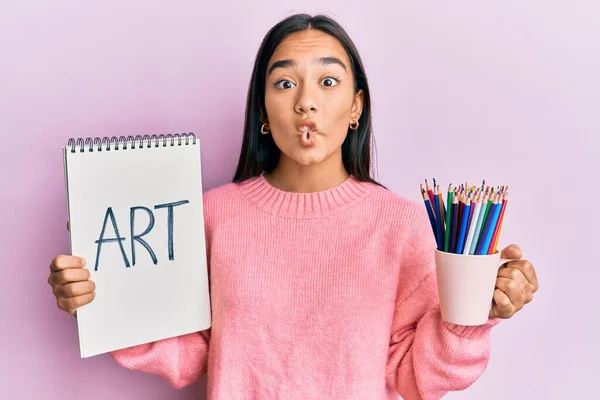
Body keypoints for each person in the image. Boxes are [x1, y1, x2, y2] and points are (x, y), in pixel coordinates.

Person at [47, 13, 539, 400]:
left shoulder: (404, 226)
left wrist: (472, 313)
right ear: (263, 110)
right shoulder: (209, 217)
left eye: (328, 82)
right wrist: (101, 301)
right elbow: (189, 356)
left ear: (355, 108)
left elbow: (418, 378)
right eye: (285, 83)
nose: (306, 102)